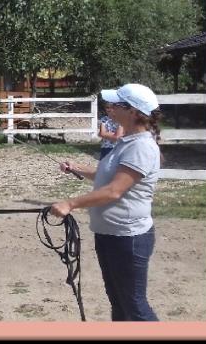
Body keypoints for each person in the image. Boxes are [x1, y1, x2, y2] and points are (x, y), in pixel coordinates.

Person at [50, 83, 162, 321]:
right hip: (111, 235)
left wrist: (70, 203)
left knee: (134, 307)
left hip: (128, 238)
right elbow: (107, 175)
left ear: (132, 112)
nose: (110, 108)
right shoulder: (127, 141)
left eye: (116, 104)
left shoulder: (141, 146)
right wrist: (77, 168)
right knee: (119, 304)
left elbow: (114, 190)